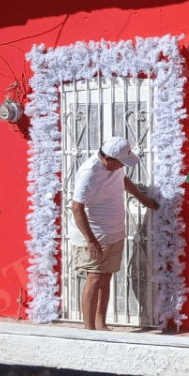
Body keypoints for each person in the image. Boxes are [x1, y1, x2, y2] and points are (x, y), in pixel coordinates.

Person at [69, 136, 159, 331]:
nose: (122, 166)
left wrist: (142, 198)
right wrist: (91, 241)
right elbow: (76, 208)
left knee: (106, 276)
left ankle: (101, 324)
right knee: (93, 277)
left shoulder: (115, 167)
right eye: (121, 162)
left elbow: (123, 180)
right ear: (108, 159)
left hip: (114, 232)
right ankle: (89, 328)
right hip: (94, 236)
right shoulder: (89, 173)